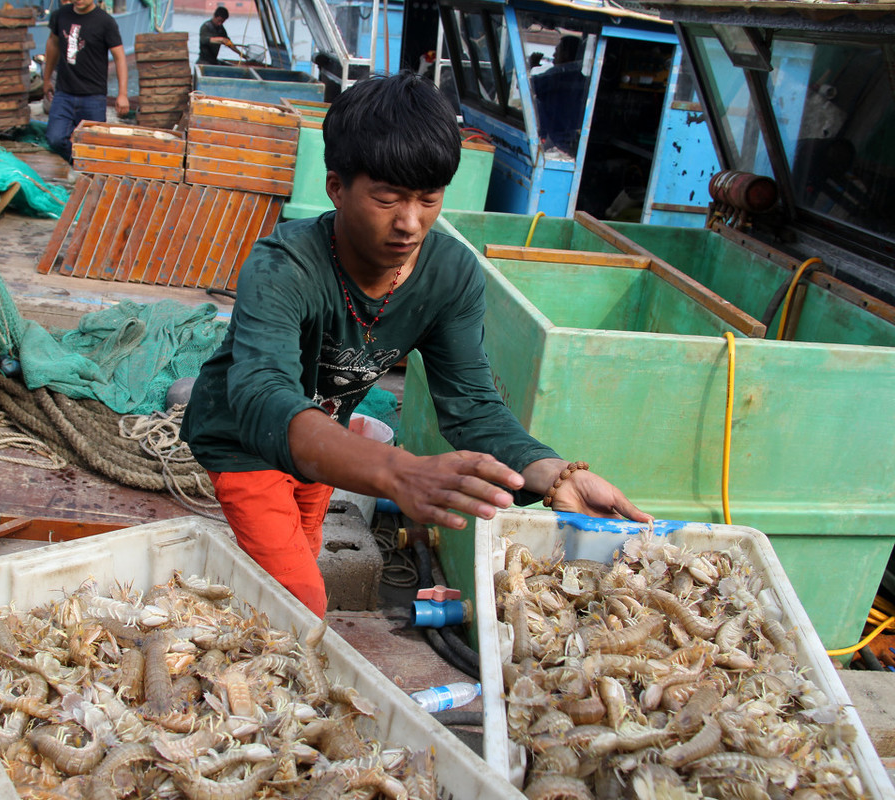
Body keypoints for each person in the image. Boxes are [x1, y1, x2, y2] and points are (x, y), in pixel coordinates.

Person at [180, 70, 650, 617]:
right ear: (335, 186)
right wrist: (393, 469)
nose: (410, 222)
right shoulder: (283, 265)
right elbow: (262, 393)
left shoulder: (450, 273)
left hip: (327, 439)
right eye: (386, 199)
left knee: (304, 546)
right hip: (243, 438)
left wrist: (557, 474)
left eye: (429, 199)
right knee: (300, 599)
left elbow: (472, 406)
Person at [43, 0, 130, 163]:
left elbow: (119, 58)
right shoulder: (60, 15)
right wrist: (47, 79)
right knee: (54, 138)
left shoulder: (106, 22)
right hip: (64, 93)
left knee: (94, 144)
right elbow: (53, 44)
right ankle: (79, 164)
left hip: (93, 97)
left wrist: (123, 94)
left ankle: (86, 171)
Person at [531, 34, 587, 155]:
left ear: (566, 54)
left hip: (555, 141)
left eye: (557, 51)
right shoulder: (582, 79)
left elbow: (528, 87)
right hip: (572, 143)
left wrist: (532, 65)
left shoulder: (556, 76)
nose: (554, 55)